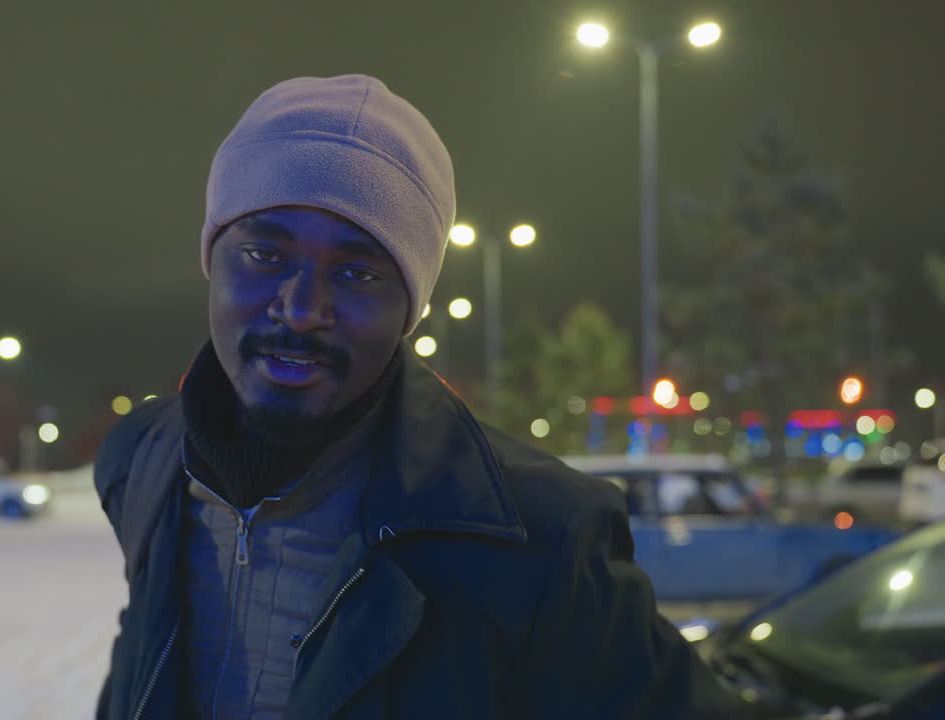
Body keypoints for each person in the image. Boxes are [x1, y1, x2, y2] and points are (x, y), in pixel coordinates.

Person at [95, 74, 734, 719]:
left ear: (410, 310)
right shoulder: (142, 461)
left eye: (356, 273)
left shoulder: (538, 539)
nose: (300, 309)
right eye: (264, 253)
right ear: (213, 260)